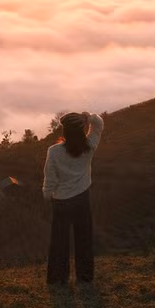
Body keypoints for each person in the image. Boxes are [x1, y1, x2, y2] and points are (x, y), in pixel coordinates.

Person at [42, 111, 104, 285]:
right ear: (81, 129)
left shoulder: (53, 152)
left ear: (65, 131)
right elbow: (99, 125)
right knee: (84, 239)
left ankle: (58, 278)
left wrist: (47, 195)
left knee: (59, 241)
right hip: (83, 198)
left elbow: (50, 178)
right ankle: (85, 277)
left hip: (61, 201)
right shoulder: (89, 146)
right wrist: (88, 116)